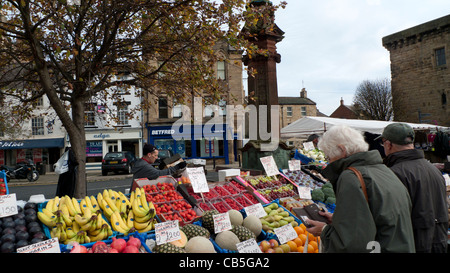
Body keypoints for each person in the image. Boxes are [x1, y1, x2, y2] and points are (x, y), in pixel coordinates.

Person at [305, 125, 415, 253]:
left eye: (329, 157)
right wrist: (340, 219)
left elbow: (352, 243)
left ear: (342, 149)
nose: (329, 162)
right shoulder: (385, 171)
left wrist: (324, 231)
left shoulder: (351, 176)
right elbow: (378, 218)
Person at [378, 122, 448, 253]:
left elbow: (392, 217)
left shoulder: (395, 173)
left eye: (383, 143)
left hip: (414, 244)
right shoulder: (433, 169)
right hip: (438, 241)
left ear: (388, 144)